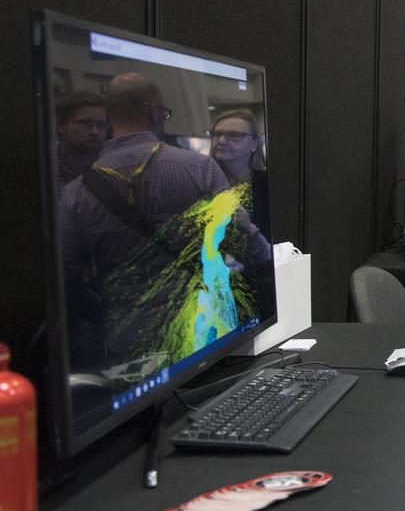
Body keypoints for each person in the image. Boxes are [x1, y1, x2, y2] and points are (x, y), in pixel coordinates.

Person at [60, 73, 272, 369]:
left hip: (126, 340)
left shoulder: (74, 193)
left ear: (109, 116)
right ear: (155, 113)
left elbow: (68, 275)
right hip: (200, 327)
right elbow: (247, 241)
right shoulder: (199, 168)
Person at [209, 109, 270, 240]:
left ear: (254, 144)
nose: (221, 141)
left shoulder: (269, 185)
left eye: (234, 135)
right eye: (217, 134)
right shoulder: (202, 182)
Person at [55, 91, 108, 188]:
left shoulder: (112, 170)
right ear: (61, 125)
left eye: (101, 125)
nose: (94, 132)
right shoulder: (44, 170)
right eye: (85, 123)